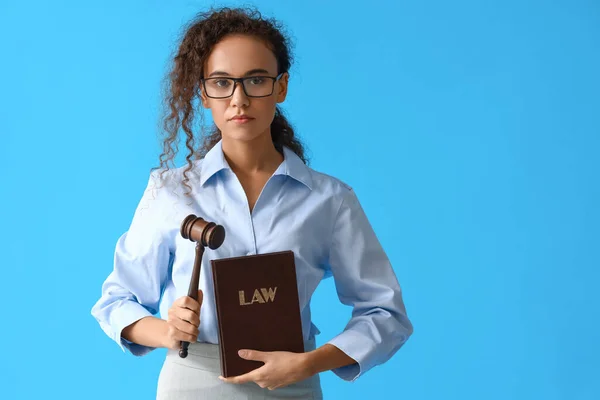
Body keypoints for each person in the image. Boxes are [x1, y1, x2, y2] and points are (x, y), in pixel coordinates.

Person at [91, 6, 413, 400]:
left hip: (295, 382)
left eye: (256, 80)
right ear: (204, 93)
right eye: (222, 83)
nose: (239, 99)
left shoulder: (330, 200)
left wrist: (309, 363)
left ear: (281, 87)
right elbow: (117, 301)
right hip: (193, 380)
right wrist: (167, 331)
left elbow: (385, 312)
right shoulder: (170, 191)